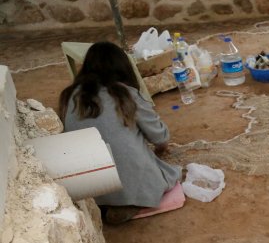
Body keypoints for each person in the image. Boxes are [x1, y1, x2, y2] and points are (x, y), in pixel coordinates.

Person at [59, 41, 181, 224]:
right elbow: (160, 137)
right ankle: (130, 203)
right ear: (123, 67)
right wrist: (161, 150)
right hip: (129, 181)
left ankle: (108, 203)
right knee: (171, 172)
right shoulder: (125, 93)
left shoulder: (69, 96)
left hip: (89, 188)